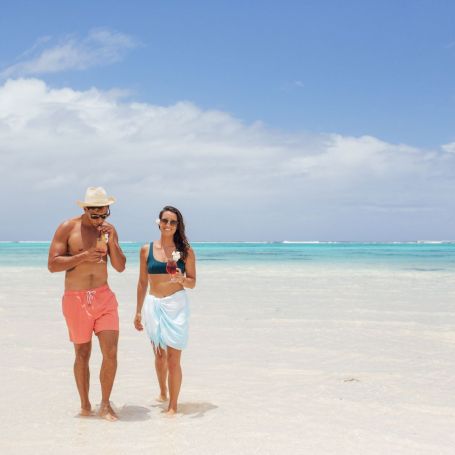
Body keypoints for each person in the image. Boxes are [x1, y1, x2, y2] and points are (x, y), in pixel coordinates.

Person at [48, 187, 126, 421]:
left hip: (104, 296)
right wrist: (84, 256)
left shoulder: (108, 230)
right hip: (76, 298)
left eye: (104, 215)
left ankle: (105, 404)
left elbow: (120, 266)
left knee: (110, 352)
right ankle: (85, 405)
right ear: (85, 210)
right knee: (82, 353)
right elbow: (52, 264)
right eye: (95, 216)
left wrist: (112, 241)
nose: (100, 220)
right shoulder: (67, 228)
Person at [134, 206, 196, 415]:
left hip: (175, 305)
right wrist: (138, 311)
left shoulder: (184, 251)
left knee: (173, 359)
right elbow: (142, 283)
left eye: (173, 222)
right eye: (165, 221)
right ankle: (163, 392)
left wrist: (182, 279)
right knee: (159, 355)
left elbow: (193, 283)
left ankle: (173, 406)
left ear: (178, 226)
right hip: (153, 305)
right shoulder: (146, 249)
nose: (168, 225)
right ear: (158, 222)